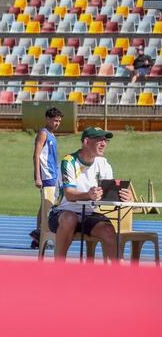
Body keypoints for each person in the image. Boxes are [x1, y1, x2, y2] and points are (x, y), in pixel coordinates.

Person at [48, 127, 132, 261]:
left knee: (108, 230)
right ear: (86, 142)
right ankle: (58, 268)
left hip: (88, 215)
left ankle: (121, 273)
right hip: (63, 212)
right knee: (70, 219)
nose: (104, 144)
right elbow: (69, 195)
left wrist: (124, 197)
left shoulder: (103, 163)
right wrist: (89, 195)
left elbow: (107, 196)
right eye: (100, 140)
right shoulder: (69, 161)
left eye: (105, 140)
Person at [31, 107, 63, 249]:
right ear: (47, 119)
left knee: (45, 205)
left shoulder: (52, 135)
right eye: (55, 120)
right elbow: (36, 155)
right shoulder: (43, 133)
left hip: (53, 174)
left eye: (59, 121)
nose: (57, 123)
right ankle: (44, 235)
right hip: (46, 175)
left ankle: (38, 235)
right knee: (49, 205)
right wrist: (37, 176)